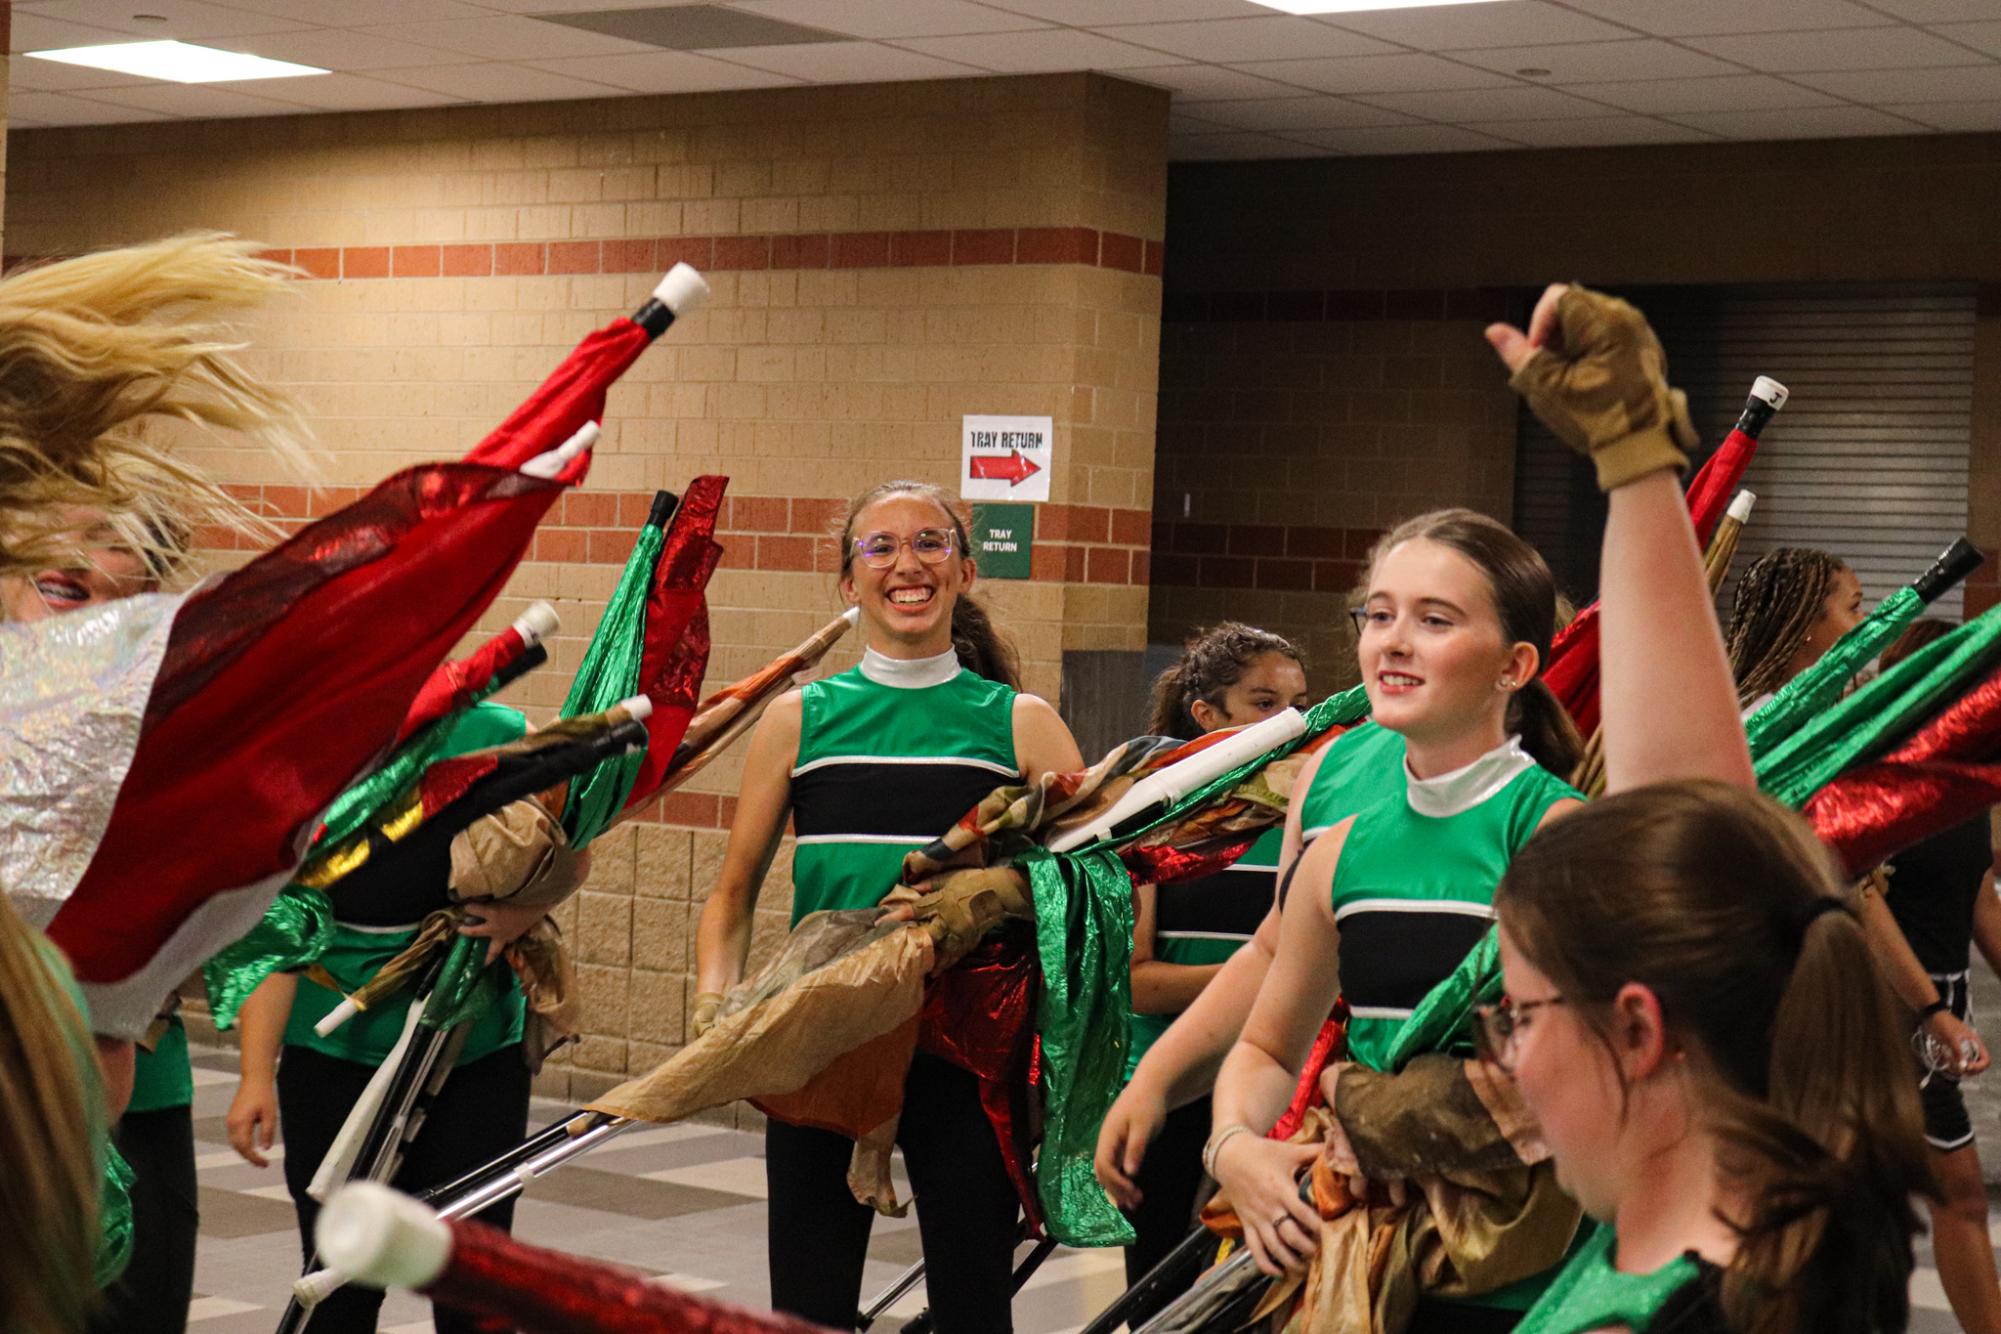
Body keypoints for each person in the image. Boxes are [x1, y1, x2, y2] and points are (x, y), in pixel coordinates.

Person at [1479, 283, 1929, 1334]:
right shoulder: (1743, 1201)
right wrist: (1633, 459)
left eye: (1520, 1013)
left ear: (1638, 1025)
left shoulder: (1688, 1300)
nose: (1505, 1060)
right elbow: (1687, 805)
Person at [692, 479, 1084, 1334]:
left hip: (965, 1048)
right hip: (820, 1041)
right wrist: (716, 1009)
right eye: (880, 546)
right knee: (807, 1304)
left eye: (931, 543)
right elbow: (731, 894)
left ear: (965, 570)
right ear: (848, 582)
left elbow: (1090, 893)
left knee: (974, 1305)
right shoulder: (799, 719)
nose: (907, 563)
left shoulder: (1021, 723)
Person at [1203, 505, 1586, 1329]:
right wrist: (1233, 1146)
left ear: (1513, 665)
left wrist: (1399, 1118)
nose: (1393, 640)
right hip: (1366, 1264)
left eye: (1434, 620)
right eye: (1378, 615)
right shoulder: (1339, 854)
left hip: (1526, 1279)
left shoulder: (1558, 837)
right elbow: (1268, 1046)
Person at [226, 699, 560, 1334]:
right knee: (339, 1287)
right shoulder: (303, 745)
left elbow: (566, 852)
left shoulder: (497, 733)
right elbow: (277, 930)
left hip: (471, 1055)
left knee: (476, 1287)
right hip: (333, 1061)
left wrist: (519, 917)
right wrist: (253, 1074)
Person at [1120, 623, 1309, 1313]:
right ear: (1206, 715)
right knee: (1158, 1293)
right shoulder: (1155, 814)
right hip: (1169, 1085)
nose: (1288, 722)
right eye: (1263, 703)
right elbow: (1137, 983)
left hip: (1277, 1085)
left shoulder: (1308, 809)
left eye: (1298, 704)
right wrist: (1262, 982)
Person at [1849, 616, 2000, 1332]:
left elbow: (1973, 890)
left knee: (1950, 1196)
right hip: (1879, 1011)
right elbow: (1859, 898)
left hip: (1932, 1008)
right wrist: (1925, 1011)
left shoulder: (1961, 780)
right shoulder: (1878, 780)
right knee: (1944, 1193)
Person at [1725, 547, 1864, 714]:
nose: (1864, 620)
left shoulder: (1809, 708)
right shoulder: (1765, 724)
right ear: (1807, 622)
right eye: (1854, 608)